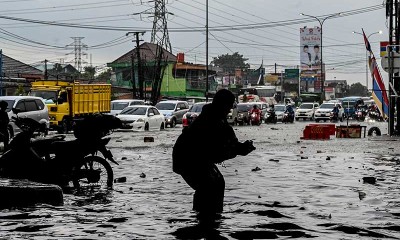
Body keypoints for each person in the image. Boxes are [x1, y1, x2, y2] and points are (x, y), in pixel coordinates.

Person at [172, 89, 255, 219]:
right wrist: (239, 150)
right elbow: (216, 148)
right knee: (209, 186)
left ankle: (208, 218)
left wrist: (240, 148)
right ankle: (206, 219)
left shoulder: (218, 118)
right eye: (229, 105)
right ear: (222, 105)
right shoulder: (210, 120)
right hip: (188, 159)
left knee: (215, 184)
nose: (229, 110)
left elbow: (229, 143)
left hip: (199, 159)